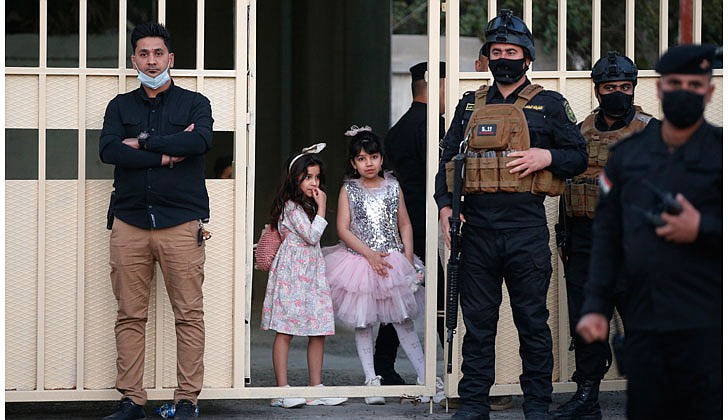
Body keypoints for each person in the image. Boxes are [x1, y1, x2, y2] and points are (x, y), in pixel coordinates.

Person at [434, 9, 587, 420]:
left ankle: (537, 406)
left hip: (524, 230)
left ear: (527, 58)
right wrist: (446, 208)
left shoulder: (550, 105)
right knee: (478, 327)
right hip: (477, 231)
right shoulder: (469, 106)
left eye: (511, 51)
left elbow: (578, 157)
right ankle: (473, 406)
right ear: (487, 57)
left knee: (533, 325)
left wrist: (546, 155)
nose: (503, 58)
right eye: (496, 51)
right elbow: (447, 160)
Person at [576, 44, 722, 420]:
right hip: (645, 317)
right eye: (675, 82)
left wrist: (703, 228)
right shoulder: (628, 156)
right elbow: (607, 235)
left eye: (695, 83)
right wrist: (594, 306)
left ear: (709, 91)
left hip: (706, 318)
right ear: (659, 88)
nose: (684, 91)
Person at [99, 23, 214, 420]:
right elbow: (110, 151)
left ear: (171, 59)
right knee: (130, 315)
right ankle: (132, 400)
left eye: (158, 54)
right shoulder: (119, 106)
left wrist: (144, 142)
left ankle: (187, 400)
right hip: (129, 222)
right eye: (144, 54)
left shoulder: (195, 103)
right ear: (134, 59)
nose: (151, 61)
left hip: (181, 222)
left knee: (189, 314)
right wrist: (166, 152)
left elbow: (198, 142)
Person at [551, 52, 653, 420]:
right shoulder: (577, 131)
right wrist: (562, 236)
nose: (617, 94)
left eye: (624, 87)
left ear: (633, 88)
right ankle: (586, 397)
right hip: (583, 241)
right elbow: (566, 185)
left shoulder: (651, 129)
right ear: (597, 91)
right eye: (610, 88)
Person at [324, 126, 437, 405]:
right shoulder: (349, 189)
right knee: (364, 323)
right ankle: (371, 379)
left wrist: (408, 259)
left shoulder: (393, 186)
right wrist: (370, 255)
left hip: (393, 262)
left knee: (403, 322)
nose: (368, 163)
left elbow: (405, 223)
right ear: (353, 163)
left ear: (381, 158)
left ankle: (425, 377)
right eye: (361, 159)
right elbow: (343, 229)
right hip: (359, 263)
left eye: (373, 157)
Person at [260, 143, 348, 409]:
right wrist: (323, 208)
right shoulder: (291, 207)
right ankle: (281, 390)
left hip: (311, 274)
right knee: (285, 330)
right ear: (294, 179)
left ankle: (315, 387)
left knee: (318, 329)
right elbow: (311, 236)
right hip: (292, 273)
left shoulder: (307, 206)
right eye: (308, 177)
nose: (314, 182)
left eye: (317, 177)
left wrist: (318, 208)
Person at [377, 61, 446, 390]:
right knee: (443, 295)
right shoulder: (432, 126)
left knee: (401, 294)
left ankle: (383, 364)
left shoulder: (399, 128)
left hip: (400, 224)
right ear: (436, 86)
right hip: (424, 223)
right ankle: (456, 364)